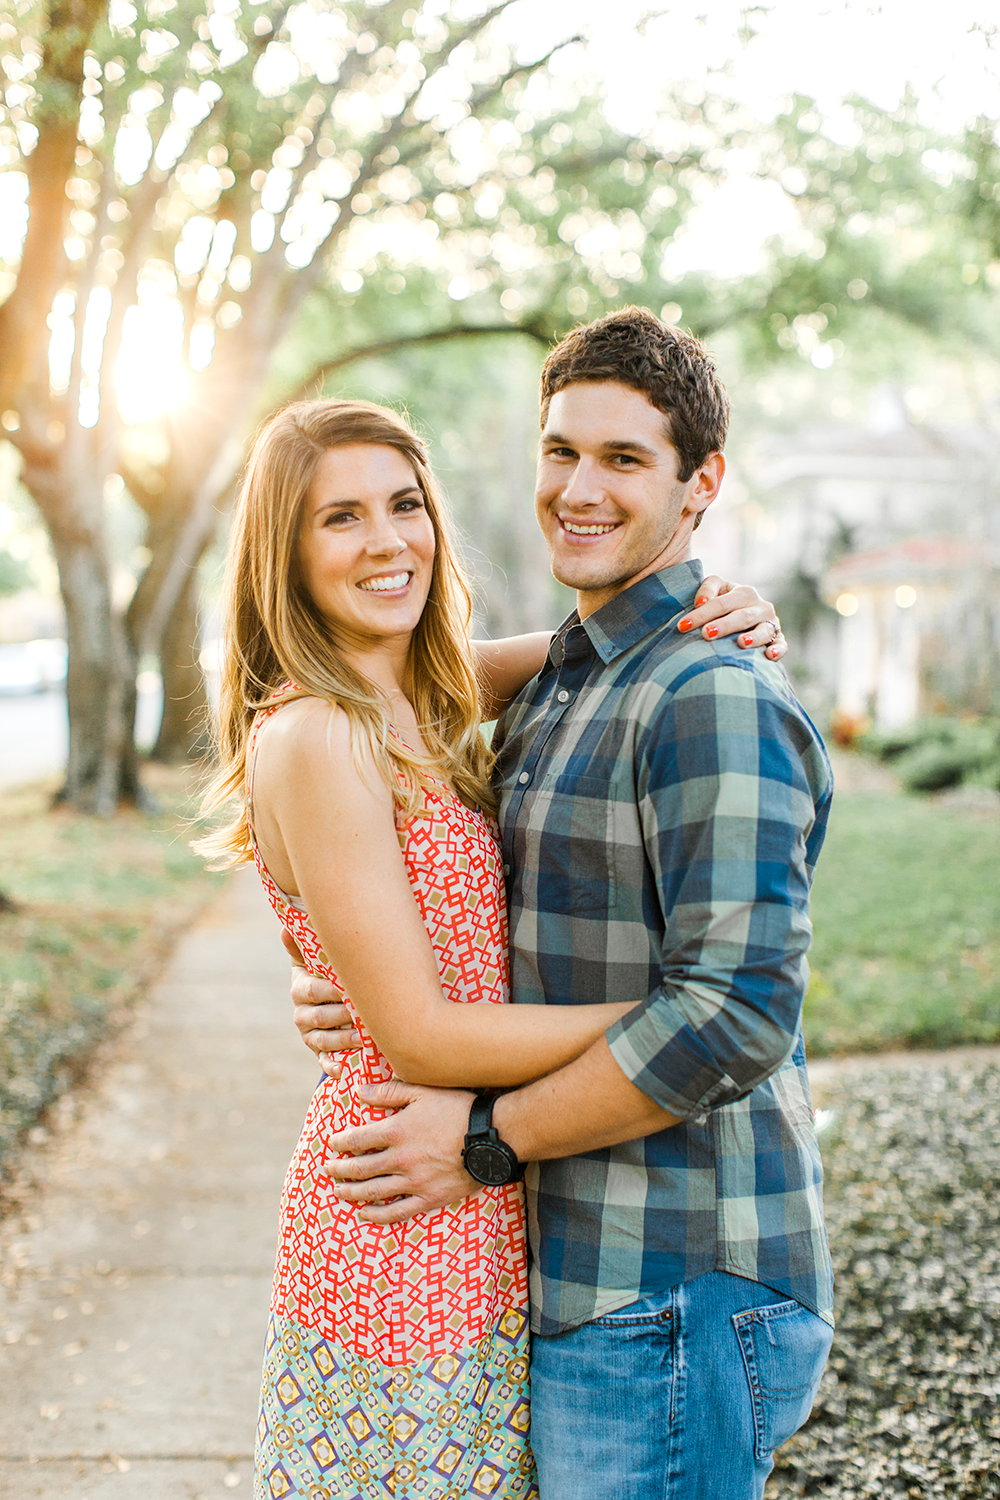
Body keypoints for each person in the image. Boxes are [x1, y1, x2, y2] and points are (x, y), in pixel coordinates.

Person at [195, 394, 784, 1500]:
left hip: (473, 1194)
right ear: (284, 553)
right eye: (340, 518)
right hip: (400, 1207)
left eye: (404, 505)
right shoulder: (321, 733)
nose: (388, 542)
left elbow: (590, 641)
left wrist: (722, 601)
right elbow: (421, 1035)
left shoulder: (417, 695)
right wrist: (688, 1016)